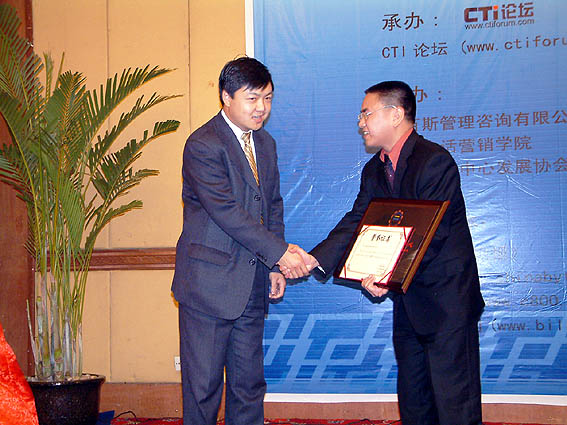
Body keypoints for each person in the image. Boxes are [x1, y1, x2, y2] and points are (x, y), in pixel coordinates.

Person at [295, 81, 485, 425]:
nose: (361, 123)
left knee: (455, 405)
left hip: (447, 304)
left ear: (395, 114)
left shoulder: (434, 162)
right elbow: (358, 221)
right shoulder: (374, 170)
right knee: (415, 403)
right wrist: (315, 258)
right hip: (409, 305)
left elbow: (433, 234)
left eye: (366, 113)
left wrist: (387, 274)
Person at [172, 57, 310, 425]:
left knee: (249, 386)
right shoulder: (203, 144)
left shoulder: (265, 143)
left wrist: (274, 265)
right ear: (226, 97)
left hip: (251, 283)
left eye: (268, 98)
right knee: (203, 390)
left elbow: (272, 205)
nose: (261, 107)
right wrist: (280, 253)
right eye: (252, 98)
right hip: (208, 286)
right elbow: (227, 212)